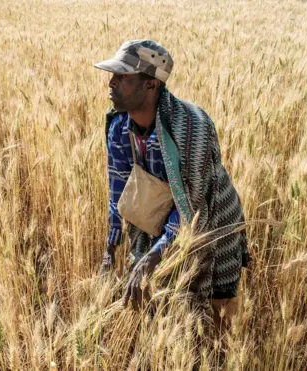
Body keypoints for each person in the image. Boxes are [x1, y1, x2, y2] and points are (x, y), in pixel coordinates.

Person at [94, 40, 250, 331]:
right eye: (113, 74)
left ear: (151, 85)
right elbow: (118, 190)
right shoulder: (118, 128)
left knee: (216, 315)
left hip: (212, 218)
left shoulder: (191, 129)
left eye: (123, 77)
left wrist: (156, 254)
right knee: (156, 304)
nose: (111, 82)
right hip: (156, 215)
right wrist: (111, 246)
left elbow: (192, 208)